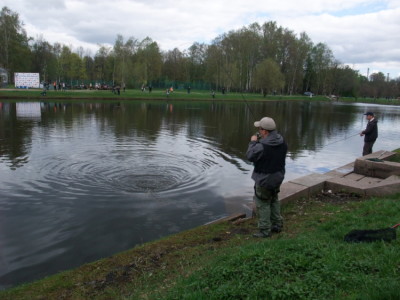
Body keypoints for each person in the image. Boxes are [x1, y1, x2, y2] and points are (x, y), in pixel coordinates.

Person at [246, 117, 287, 238]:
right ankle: (277, 224)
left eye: (260, 129)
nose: (258, 131)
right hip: (278, 176)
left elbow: (250, 156)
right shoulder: (282, 141)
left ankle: (264, 230)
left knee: (262, 203)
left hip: (265, 179)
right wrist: (262, 141)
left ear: (265, 131)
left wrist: (253, 142)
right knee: (274, 199)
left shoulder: (261, 146)